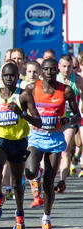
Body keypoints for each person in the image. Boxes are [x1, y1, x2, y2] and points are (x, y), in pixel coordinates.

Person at [0, 62, 42, 229]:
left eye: (12, 76)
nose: (9, 79)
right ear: (1, 76)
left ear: (17, 77)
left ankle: (20, 213)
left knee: (16, 182)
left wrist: (21, 113)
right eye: (6, 76)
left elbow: (38, 122)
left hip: (18, 141)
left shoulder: (24, 96)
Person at [25, 58, 80, 229]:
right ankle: (37, 173)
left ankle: (46, 218)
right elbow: (21, 106)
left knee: (48, 183)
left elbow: (78, 117)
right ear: (41, 72)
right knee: (31, 172)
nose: (49, 73)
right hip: (36, 137)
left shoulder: (66, 91)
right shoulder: (33, 88)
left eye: (52, 70)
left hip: (55, 139)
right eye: (46, 70)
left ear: (57, 71)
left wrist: (68, 120)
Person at [55, 54, 83, 193]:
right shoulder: (54, 79)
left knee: (65, 151)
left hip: (71, 119)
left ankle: (62, 181)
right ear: (58, 67)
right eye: (64, 67)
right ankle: (48, 178)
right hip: (55, 119)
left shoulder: (77, 80)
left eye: (69, 67)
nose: (66, 70)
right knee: (53, 152)